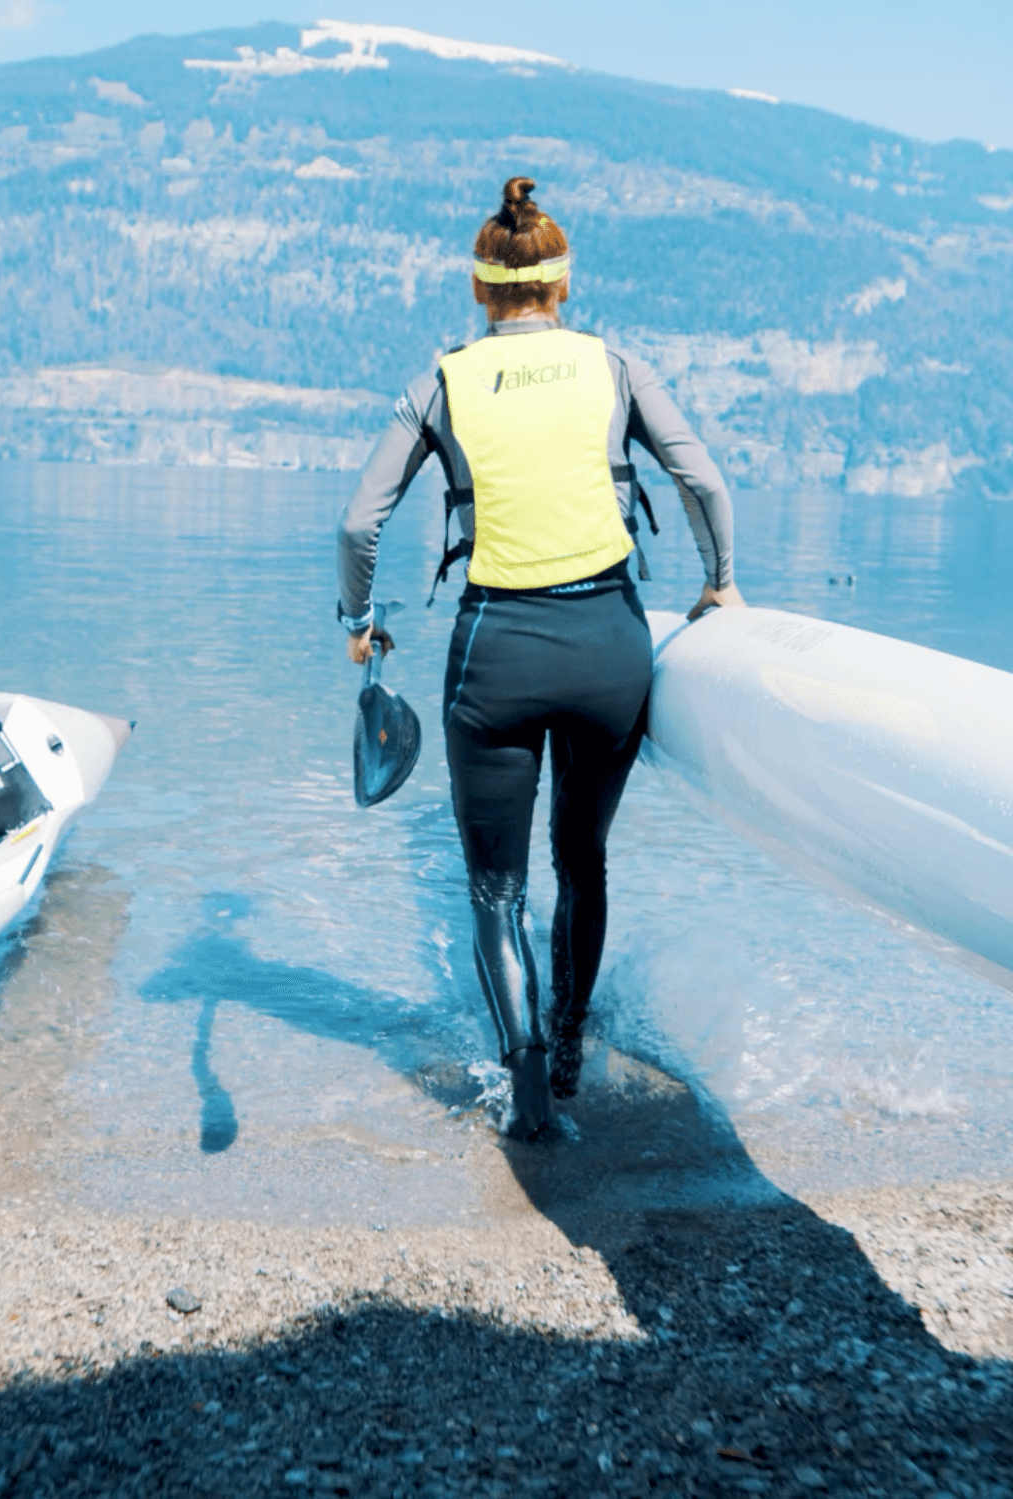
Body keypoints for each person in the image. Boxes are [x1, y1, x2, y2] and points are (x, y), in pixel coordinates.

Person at [336, 176, 744, 1140]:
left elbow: (359, 521)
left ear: (480, 293)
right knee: (581, 855)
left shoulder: (442, 379)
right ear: (563, 288)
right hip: (611, 646)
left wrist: (357, 618)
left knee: (496, 889)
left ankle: (529, 1106)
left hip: (497, 657)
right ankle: (570, 1048)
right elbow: (703, 479)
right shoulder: (614, 366)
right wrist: (721, 581)